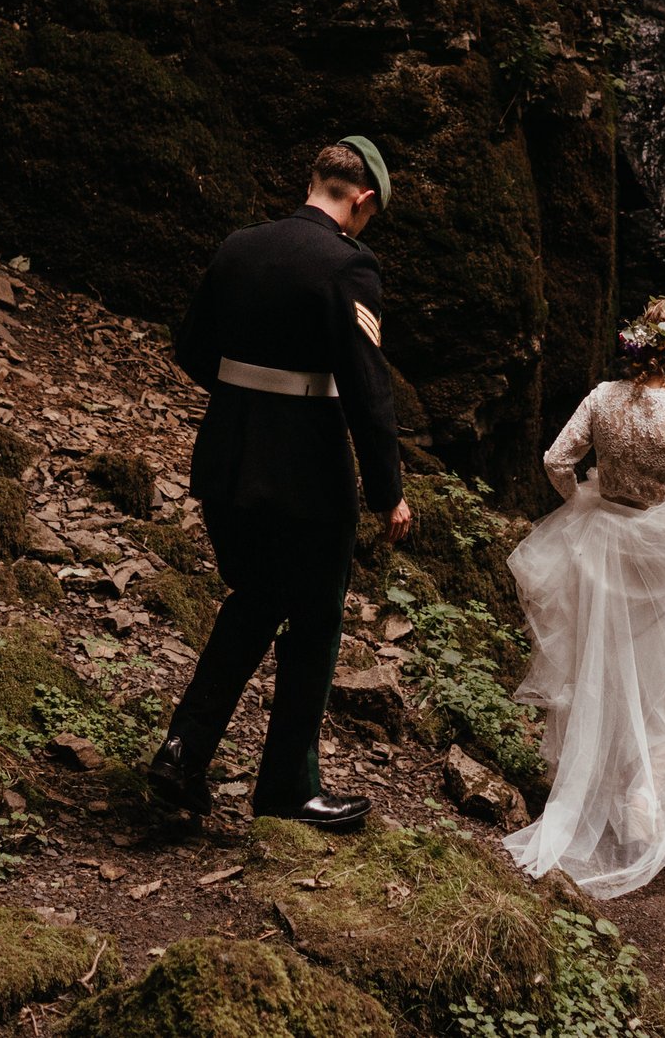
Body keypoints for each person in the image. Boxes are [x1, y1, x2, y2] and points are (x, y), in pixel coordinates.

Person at [148, 138, 414, 831]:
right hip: (306, 473)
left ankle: (182, 750)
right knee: (318, 617)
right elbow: (367, 389)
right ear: (361, 200)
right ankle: (288, 786)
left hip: (228, 456)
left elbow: (191, 347)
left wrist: (248, 394)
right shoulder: (348, 265)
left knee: (255, 597)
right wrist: (388, 491)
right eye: (370, 215)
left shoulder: (239, 246)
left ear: (313, 180)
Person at [502, 290, 665, 898]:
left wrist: (584, 505)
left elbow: (555, 460)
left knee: (602, 669)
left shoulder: (601, 397)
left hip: (601, 547)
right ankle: (642, 804)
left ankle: (594, 787)